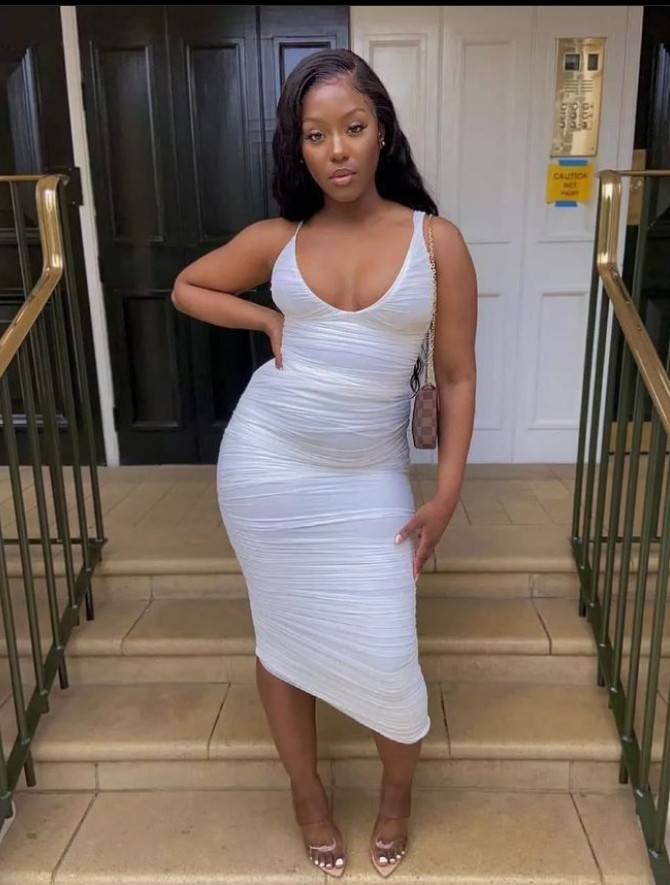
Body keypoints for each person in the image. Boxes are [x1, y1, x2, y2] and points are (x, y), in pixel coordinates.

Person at [172, 47, 477, 879]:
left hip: (369, 476)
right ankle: (307, 796)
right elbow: (188, 286)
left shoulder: (436, 243)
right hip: (267, 466)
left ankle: (395, 797)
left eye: (353, 127)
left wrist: (446, 493)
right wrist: (266, 321)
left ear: (382, 132)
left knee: (389, 652)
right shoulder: (280, 239)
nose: (337, 149)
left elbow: (456, 376)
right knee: (282, 640)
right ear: (298, 147)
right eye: (316, 134)